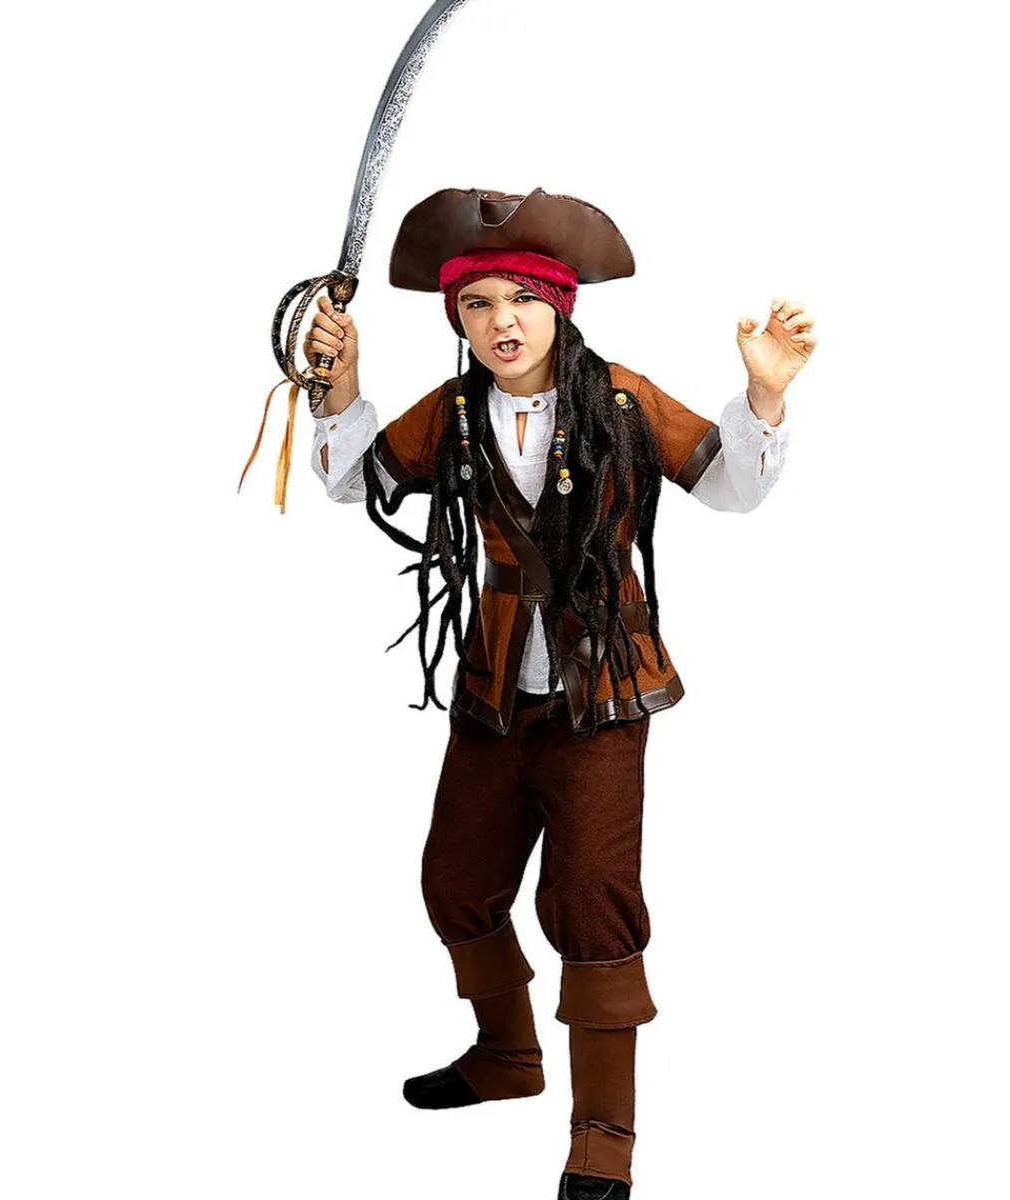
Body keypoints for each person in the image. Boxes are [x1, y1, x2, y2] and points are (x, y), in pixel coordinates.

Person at [301, 187, 815, 1198]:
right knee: (456, 881)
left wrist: (761, 399)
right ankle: (506, 1055)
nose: (502, 321)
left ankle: (604, 1133)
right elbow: (357, 481)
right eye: (478, 302)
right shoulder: (453, 413)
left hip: (605, 691)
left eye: (522, 299)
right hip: (493, 684)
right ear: (457, 317)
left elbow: (730, 486)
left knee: (591, 902)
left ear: (561, 304)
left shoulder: (620, 400)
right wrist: (342, 384)